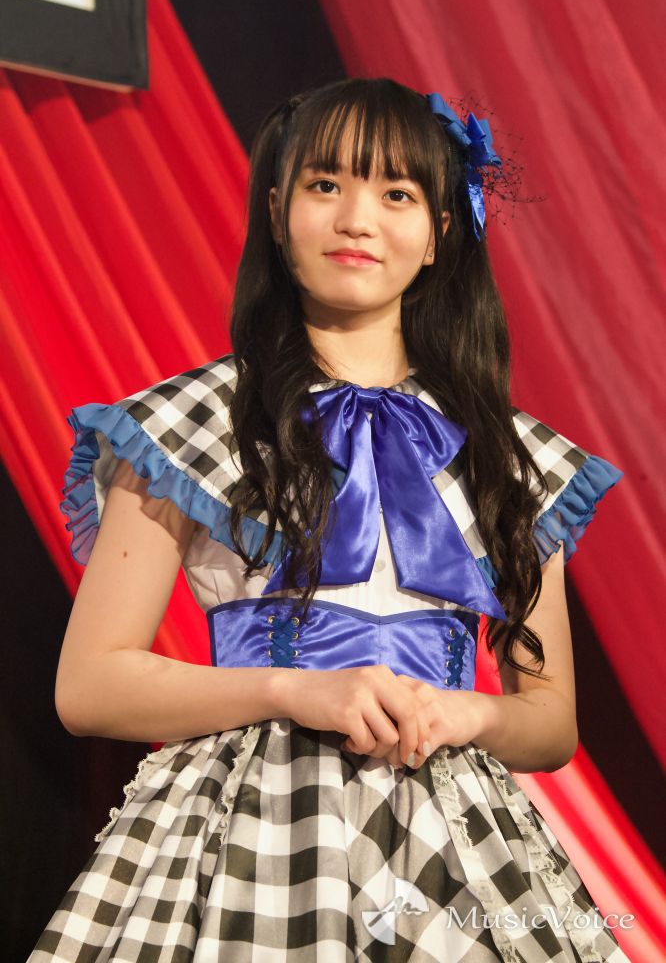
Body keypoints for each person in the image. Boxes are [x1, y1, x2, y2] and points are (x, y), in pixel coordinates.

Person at [29, 77, 629, 961]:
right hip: (247, 830)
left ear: (440, 231)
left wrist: (465, 715)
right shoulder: (187, 425)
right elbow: (89, 687)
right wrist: (292, 689)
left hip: (449, 839)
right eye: (325, 184)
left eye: (397, 194)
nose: (357, 219)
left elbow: (550, 721)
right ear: (277, 213)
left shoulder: (512, 459)